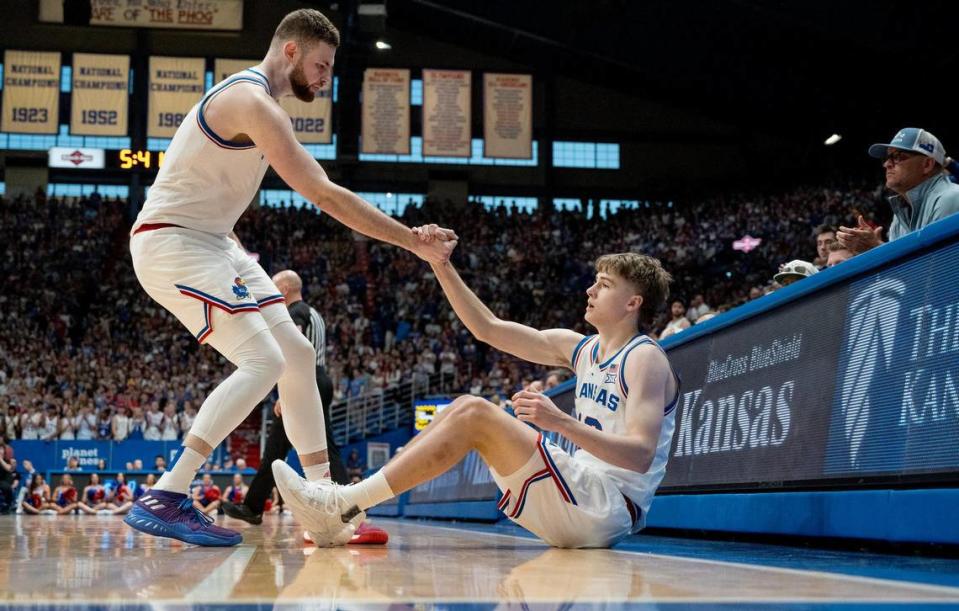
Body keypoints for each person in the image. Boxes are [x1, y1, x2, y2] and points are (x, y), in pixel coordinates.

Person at [123, 7, 455, 547]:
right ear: (291, 51)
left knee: (298, 356)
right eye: (321, 65)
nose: (326, 79)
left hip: (215, 242)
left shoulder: (263, 105)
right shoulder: (251, 102)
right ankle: (169, 491)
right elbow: (324, 194)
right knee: (263, 360)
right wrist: (411, 241)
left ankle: (324, 502)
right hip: (171, 241)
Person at [274, 245, 679, 549]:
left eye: (604, 285)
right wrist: (440, 265)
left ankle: (343, 505)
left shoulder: (645, 358)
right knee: (467, 407)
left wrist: (559, 423)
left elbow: (640, 455)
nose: (590, 289)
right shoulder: (582, 349)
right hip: (582, 494)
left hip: (608, 506)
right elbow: (488, 328)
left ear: (632, 303)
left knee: (476, 414)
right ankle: (349, 505)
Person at [221, 270, 388, 545]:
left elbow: (292, 349)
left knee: (322, 447)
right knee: (279, 445)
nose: (272, 293)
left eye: (275, 288)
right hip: (315, 378)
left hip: (306, 379)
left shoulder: (295, 312)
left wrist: (287, 391)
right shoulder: (313, 313)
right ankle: (252, 506)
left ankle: (352, 507)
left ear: (284, 289)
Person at [839, 127, 959, 253]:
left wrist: (876, 249)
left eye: (897, 157)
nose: (887, 164)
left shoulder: (950, 198)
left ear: (927, 164)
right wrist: (877, 248)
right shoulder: (900, 216)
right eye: (887, 158)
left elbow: (937, 267)